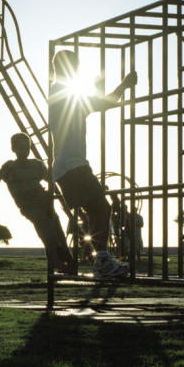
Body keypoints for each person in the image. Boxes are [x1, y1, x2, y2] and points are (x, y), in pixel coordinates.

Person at [48, 50, 136, 280]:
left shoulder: (61, 93)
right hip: (73, 165)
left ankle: (101, 259)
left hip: (67, 167)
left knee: (95, 211)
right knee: (101, 208)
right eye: (75, 66)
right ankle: (102, 261)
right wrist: (123, 86)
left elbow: (97, 103)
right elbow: (100, 103)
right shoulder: (63, 92)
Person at [0, 132, 77, 274]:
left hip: (44, 200)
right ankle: (55, 261)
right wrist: (4, 175)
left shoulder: (36, 164)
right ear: (13, 149)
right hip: (28, 205)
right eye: (20, 148)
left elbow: (50, 178)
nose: (23, 151)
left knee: (57, 229)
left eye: (26, 148)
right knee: (46, 226)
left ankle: (67, 259)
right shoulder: (10, 166)